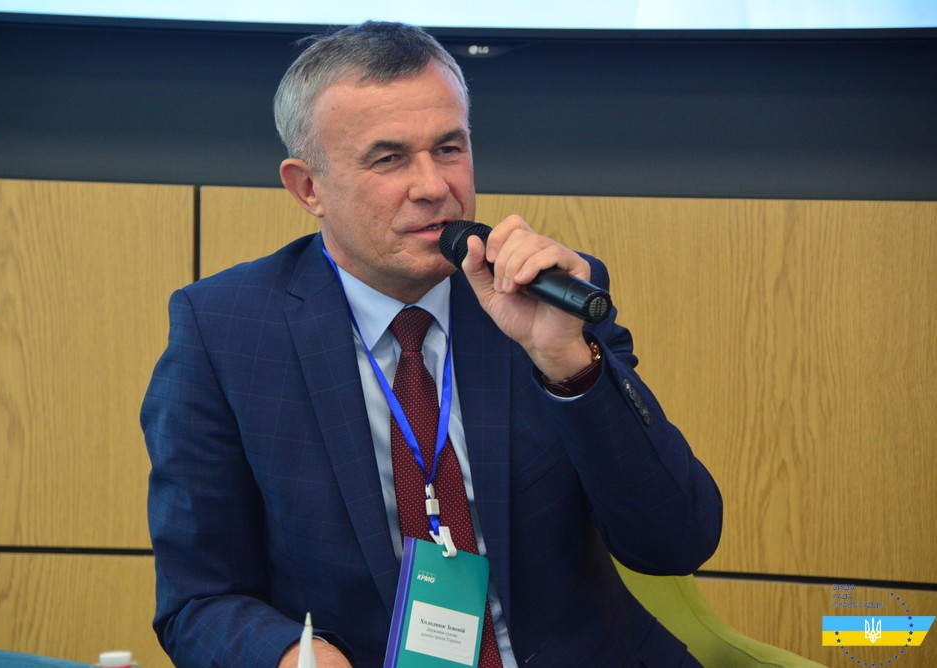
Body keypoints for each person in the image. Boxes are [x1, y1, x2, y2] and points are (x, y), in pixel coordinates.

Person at [141, 20, 722, 668]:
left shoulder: (545, 297)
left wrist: (566, 363)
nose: (433, 187)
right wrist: (290, 656)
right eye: (388, 158)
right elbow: (198, 599)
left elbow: (676, 541)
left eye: (449, 148)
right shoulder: (225, 333)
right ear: (309, 188)